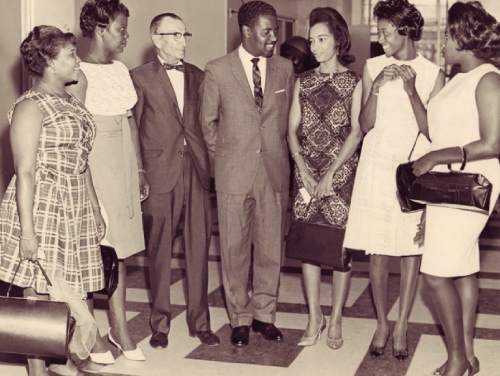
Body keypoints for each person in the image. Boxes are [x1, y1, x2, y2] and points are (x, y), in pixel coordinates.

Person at [0, 25, 105, 376]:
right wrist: (27, 233)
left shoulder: (70, 100)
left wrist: (93, 204)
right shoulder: (31, 106)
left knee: (73, 286)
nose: (78, 61)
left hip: (74, 201)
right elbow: (25, 171)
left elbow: (82, 159)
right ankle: (36, 368)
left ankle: (66, 358)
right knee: (39, 292)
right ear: (48, 63)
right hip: (43, 204)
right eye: (70, 56)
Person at [343, 0, 445, 361]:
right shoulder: (372, 67)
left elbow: (434, 130)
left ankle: (401, 324)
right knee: (377, 249)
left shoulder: (434, 73)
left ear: (405, 31)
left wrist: (412, 91)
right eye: (379, 32)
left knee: (409, 250)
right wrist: (375, 89)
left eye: (385, 32)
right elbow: (365, 125)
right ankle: (382, 323)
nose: (380, 38)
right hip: (375, 166)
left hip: (412, 169)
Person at [412, 2, 500, 375]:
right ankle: (468, 356)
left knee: (434, 275)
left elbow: (493, 142)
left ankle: (457, 360)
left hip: (474, 182)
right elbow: (438, 131)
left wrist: (436, 158)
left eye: (448, 35)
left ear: (464, 39)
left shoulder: (489, 79)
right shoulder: (458, 77)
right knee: (462, 269)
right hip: (448, 184)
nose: (443, 41)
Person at [200, 0, 295, 347]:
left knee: (271, 250)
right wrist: (225, 160)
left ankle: (264, 316)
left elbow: (287, 122)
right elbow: (207, 123)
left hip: (274, 172)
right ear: (246, 32)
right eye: (267, 30)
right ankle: (239, 317)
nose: (274, 37)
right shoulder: (218, 69)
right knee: (234, 250)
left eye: (275, 30)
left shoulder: (284, 68)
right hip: (233, 174)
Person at [130, 12, 219, 349]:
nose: (183, 41)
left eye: (185, 34)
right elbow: (134, 131)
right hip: (158, 172)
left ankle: (201, 322)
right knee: (159, 250)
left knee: (199, 248)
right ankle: (160, 324)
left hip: (195, 170)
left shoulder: (198, 75)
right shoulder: (138, 77)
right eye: (176, 34)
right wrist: (140, 172)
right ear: (157, 39)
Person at [67, 0, 147, 363]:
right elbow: (77, 136)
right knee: (94, 249)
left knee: (121, 249)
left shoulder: (120, 70)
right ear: (100, 28)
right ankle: (91, 332)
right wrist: (87, 187)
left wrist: (140, 168)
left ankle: (120, 327)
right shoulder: (78, 72)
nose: (126, 35)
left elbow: (130, 123)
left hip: (124, 162)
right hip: (94, 163)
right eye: (120, 28)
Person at [287, 7, 362, 349]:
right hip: (306, 171)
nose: (314, 47)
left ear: (338, 40)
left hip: (341, 172)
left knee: (337, 247)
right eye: (312, 40)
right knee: (308, 247)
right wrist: (302, 168)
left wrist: (332, 173)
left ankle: (335, 321)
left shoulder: (354, 82)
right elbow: (291, 131)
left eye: (322, 39)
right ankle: (314, 317)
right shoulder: (302, 81)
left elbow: (357, 132)